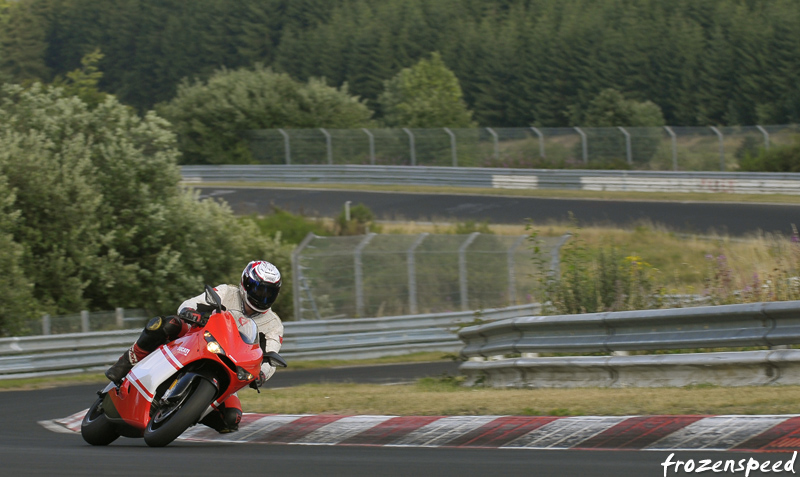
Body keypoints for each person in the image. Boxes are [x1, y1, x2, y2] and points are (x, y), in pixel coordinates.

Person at [104, 260, 284, 433]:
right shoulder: (227, 292)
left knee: (231, 419)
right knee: (167, 324)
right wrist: (191, 313)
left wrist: (262, 374)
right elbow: (189, 304)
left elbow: (270, 356)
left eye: (269, 293)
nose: (263, 297)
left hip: (228, 368)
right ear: (245, 283)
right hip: (197, 340)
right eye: (259, 290)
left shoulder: (274, 324)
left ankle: (184, 414)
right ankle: (126, 362)